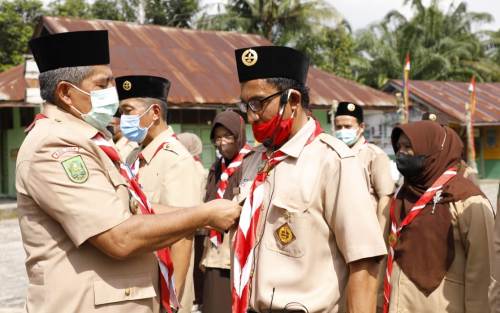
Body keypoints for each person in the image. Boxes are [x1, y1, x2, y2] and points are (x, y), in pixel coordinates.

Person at [17, 30, 240, 313]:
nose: (113, 91)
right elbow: (118, 237)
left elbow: (133, 207)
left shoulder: (90, 141)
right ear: (66, 93)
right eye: (103, 83)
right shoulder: (56, 145)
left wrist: (204, 215)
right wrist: (204, 214)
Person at [232, 45, 387, 313]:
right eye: (246, 105)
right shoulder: (253, 162)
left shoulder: (333, 162)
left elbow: (364, 262)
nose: (250, 115)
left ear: (292, 101)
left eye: (258, 103)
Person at [383, 120, 494, 313]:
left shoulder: (467, 200)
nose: (401, 153)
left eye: (409, 147)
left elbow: (483, 272)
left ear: (433, 151)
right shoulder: (402, 195)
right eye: (399, 147)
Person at [116, 75, 206, 313]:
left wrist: (172, 299)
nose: (122, 119)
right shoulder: (133, 156)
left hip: (165, 290)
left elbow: (183, 233)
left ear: (154, 112)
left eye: (128, 111)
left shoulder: (176, 160)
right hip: (140, 283)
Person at [200, 110, 254, 313]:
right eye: (218, 137)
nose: (222, 142)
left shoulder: (252, 163)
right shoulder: (216, 168)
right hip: (215, 252)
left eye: (228, 136)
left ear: (239, 135)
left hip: (240, 251)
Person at [333, 102, 395, 225]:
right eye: (339, 127)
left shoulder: (374, 155)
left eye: (348, 126)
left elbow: (385, 198)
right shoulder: (330, 154)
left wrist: (381, 237)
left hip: (365, 228)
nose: (342, 131)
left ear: (361, 127)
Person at [177, 132, 208, 313]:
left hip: (194, 225)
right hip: (196, 224)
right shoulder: (195, 165)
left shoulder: (191, 167)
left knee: (193, 266)